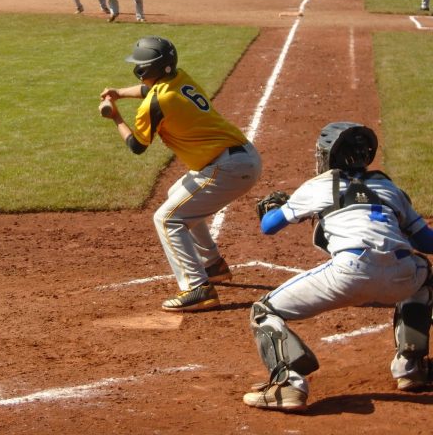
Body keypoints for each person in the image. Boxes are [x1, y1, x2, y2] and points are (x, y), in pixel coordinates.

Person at [243, 122, 433, 412]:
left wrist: (274, 209)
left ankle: (288, 384)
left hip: (348, 273)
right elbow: (426, 242)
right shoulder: (389, 187)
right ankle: (411, 367)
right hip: (401, 274)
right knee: (424, 274)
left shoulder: (318, 185)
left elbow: (269, 227)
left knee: (263, 311)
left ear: (328, 156)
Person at [99, 36, 262, 311]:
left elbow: (137, 146)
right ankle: (213, 265)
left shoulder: (155, 104)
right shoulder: (179, 78)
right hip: (239, 158)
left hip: (228, 168)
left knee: (167, 218)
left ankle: (197, 288)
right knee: (177, 194)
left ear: (147, 68)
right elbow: (148, 90)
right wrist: (119, 93)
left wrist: (115, 117)